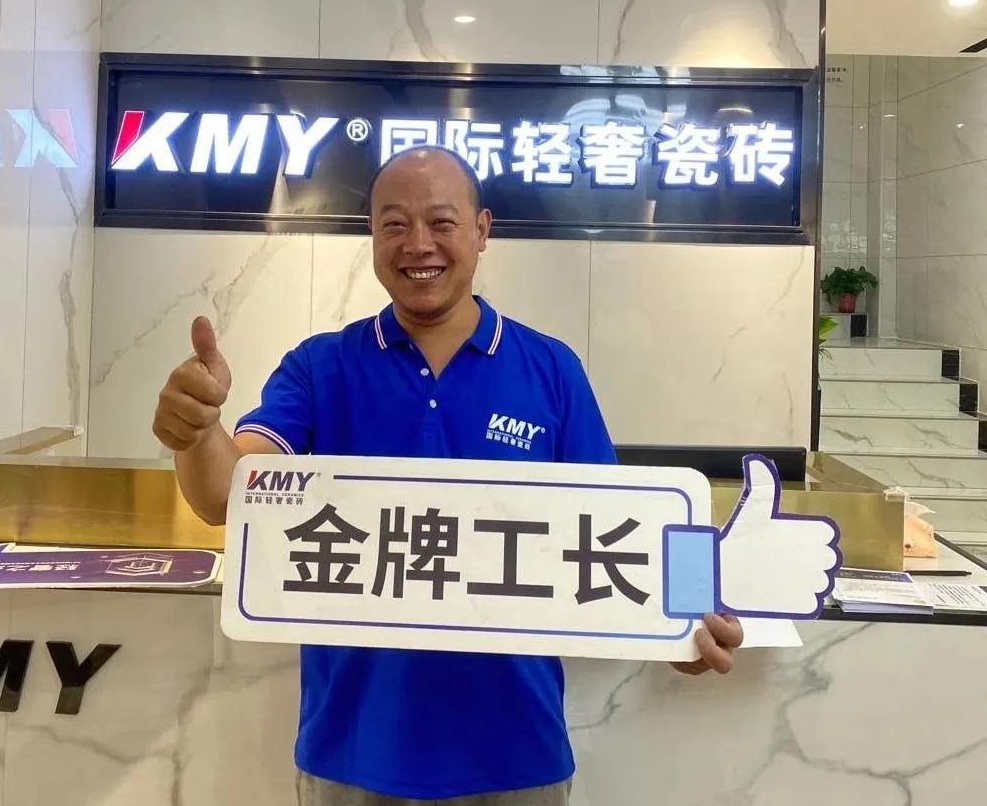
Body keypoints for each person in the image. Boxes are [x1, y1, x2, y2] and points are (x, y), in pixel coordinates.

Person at [153, 146, 744, 805]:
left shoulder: (551, 370)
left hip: (517, 758)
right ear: (371, 235)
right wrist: (197, 432)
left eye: (441, 222)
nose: (418, 245)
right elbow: (229, 495)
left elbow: (623, 529)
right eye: (394, 224)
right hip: (350, 755)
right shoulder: (320, 368)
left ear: (482, 230)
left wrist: (684, 623)